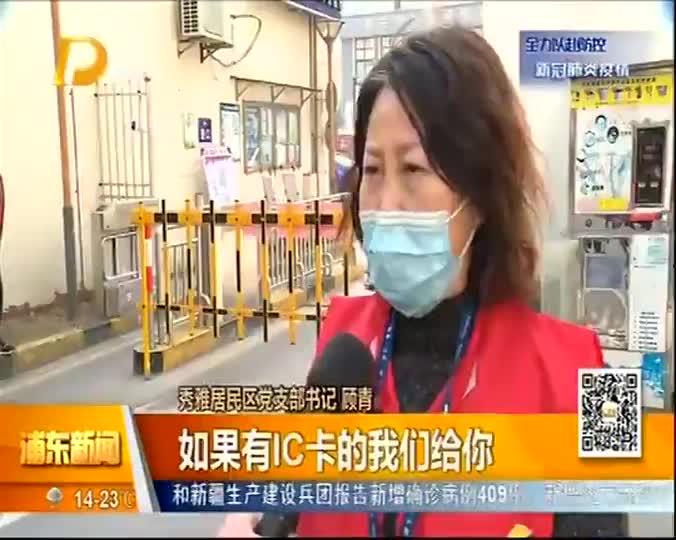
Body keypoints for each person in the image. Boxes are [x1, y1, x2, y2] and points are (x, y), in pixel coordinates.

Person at [219, 26, 627, 538]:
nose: (385, 203)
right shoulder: (341, 347)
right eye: (371, 170)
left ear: (481, 189)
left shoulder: (593, 377)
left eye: (413, 169)